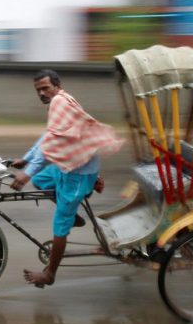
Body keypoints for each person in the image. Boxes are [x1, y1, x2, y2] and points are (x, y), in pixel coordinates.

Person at [11, 69, 123, 288]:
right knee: (42, 180)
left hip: (79, 173)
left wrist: (26, 173)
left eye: (45, 88)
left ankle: (50, 273)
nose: (42, 93)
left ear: (57, 85)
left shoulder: (59, 102)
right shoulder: (60, 101)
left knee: (59, 224)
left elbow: (49, 145)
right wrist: (26, 159)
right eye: (38, 90)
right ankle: (73, 217)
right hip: (69, 166)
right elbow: (47, 137)